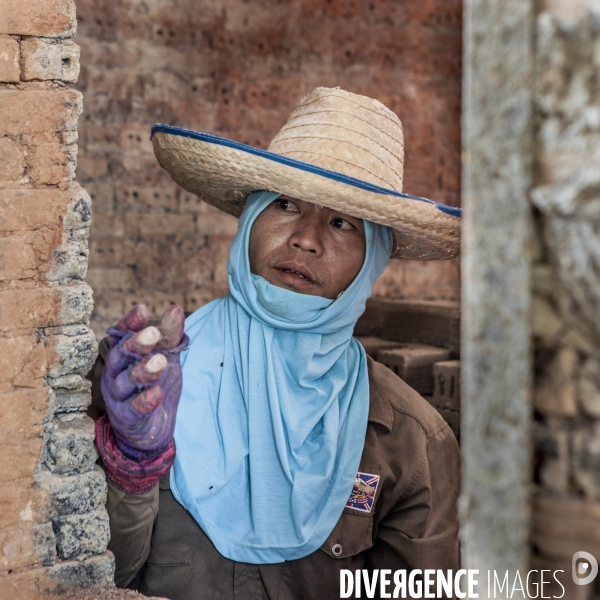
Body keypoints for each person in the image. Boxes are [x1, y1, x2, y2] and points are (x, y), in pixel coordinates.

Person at [87, 87, 462, 600]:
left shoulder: (412, 441)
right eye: (285, 204)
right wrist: (131, 463)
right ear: (249, 219)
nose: (307, 239)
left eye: (341, 222)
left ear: (372, 258)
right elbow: (93, 577)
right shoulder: (141, 379)